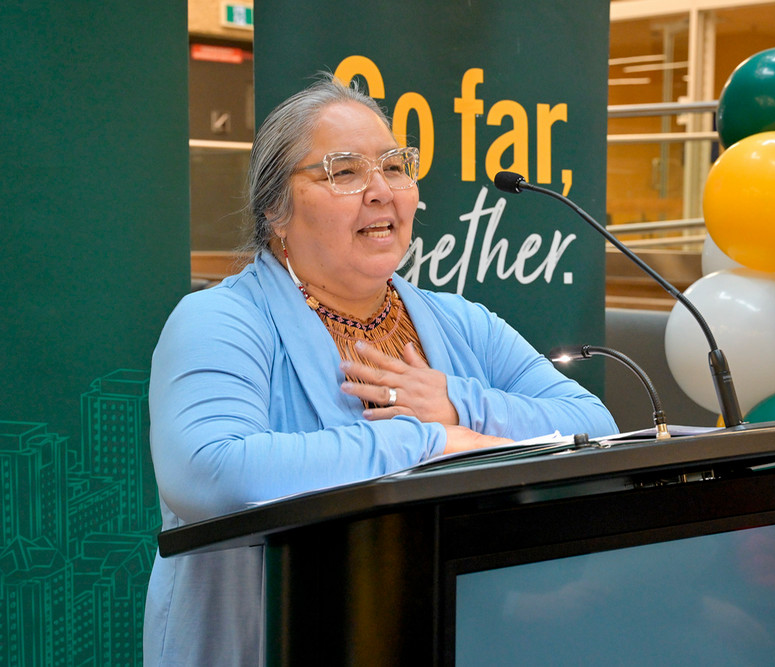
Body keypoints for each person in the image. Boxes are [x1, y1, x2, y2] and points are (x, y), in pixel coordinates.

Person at [142, 75, 618, 666]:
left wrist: (457, 404)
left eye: (395, 167)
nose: (381, 190)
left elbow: (594, 424)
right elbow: (209, 473)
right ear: (276, 211)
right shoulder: (220, 321)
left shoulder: (461, 321)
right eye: (344, 171)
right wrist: (429, 442)